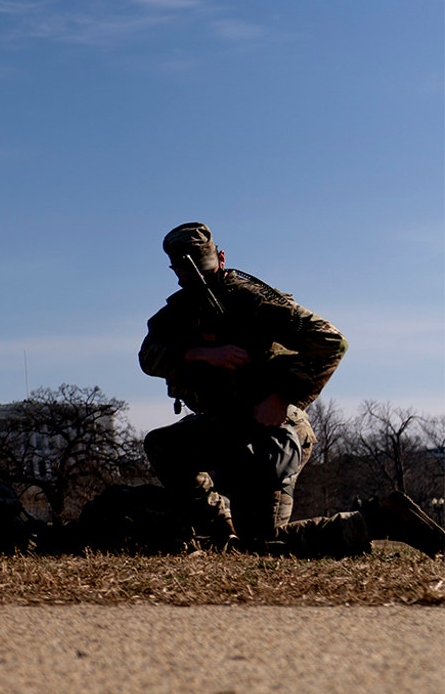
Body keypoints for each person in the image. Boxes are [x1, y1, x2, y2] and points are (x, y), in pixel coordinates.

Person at [139, 222, 444, 557]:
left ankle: (379, 520)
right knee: (164, 446)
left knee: (266, 543)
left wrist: (280, 399)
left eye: (206, 272)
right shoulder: (179, 313)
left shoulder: (252, 300)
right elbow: (148, 357)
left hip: (272, 429)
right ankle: (220, 531)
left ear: (222, 259)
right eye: (187, 275)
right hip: (226, 425)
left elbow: (331, 341)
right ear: (175, 272)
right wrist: (200, 354)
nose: (198, 282)